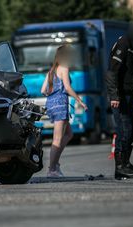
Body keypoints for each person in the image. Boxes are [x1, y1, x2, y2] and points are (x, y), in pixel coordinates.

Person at [106, 20, 133, 179]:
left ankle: (125, 163)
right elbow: (111, 71)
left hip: (128, 93)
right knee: (124, 130)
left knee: (132, 130)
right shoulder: (124, 43)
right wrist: (114, 95)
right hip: (120, 94)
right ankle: (120, 166)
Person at [41, 45, 88, 178]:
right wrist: (79, 100)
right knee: (57, 139)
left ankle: (56, 164)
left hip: (51, 104)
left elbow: (43, 90)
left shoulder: (51, 71)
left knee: (69, 134)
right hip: (61, 104)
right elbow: (67, 87)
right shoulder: (64, 68)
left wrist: (53, 95)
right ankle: (52, 169)